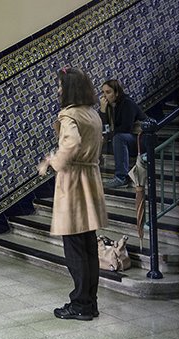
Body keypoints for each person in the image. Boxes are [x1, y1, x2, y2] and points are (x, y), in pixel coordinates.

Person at [37, 67, 108, 321]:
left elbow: (71, 143)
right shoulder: (92, 113)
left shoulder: (69, 115)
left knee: (75, 248)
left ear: (69, 89)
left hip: (74, 182)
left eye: (60, 85)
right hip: (91, 178)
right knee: (88, 246)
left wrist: (53, 162)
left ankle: (80, 304)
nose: (58, 90)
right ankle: (90, 302)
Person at [100, 80, 147, 188]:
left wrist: (108, 134)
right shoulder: (109, 106)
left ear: (116, 93)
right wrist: (102, 111)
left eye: (108, 92)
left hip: (141, 140)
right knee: (100, 138)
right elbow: (103, 128)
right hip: (125, 140)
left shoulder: (127, 103)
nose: (104, 96)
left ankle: (121, 177)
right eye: (103, 92)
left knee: (119, 137)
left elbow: (126, 128)